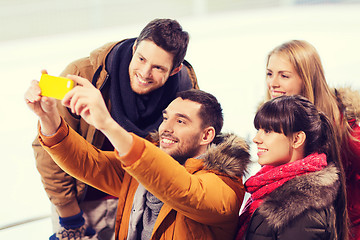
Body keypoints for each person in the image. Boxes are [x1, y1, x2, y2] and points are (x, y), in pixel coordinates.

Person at [25, 74, 251, 239]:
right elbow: (89, 164)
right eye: (166, 117)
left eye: (180, 121)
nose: (166, 128)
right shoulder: (143, 169)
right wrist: (49, 118)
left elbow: (183, 188)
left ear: (206, 135)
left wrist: (106, 124)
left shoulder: (224, 188)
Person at [31, 18, 199, 239]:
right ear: (134, 47)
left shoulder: (185, 90)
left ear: (175, 69)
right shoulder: (84, 73)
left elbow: (189, 152)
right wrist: (68, 213)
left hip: (139, 204)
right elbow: (48, 146)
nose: (145, 72)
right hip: (82, 204)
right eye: (141, 58)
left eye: (158, 67)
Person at [264, 39, 360, 239]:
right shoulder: (272, 124)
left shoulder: (345, 126)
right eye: (269, 73)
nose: (273, 83)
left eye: (284, 75)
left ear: (306, 78)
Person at [235, 95, 348, 239]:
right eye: (258, 130)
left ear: (297, 139)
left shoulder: (303, 210)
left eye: (268, 131)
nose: (256, 139)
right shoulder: (270, 189)